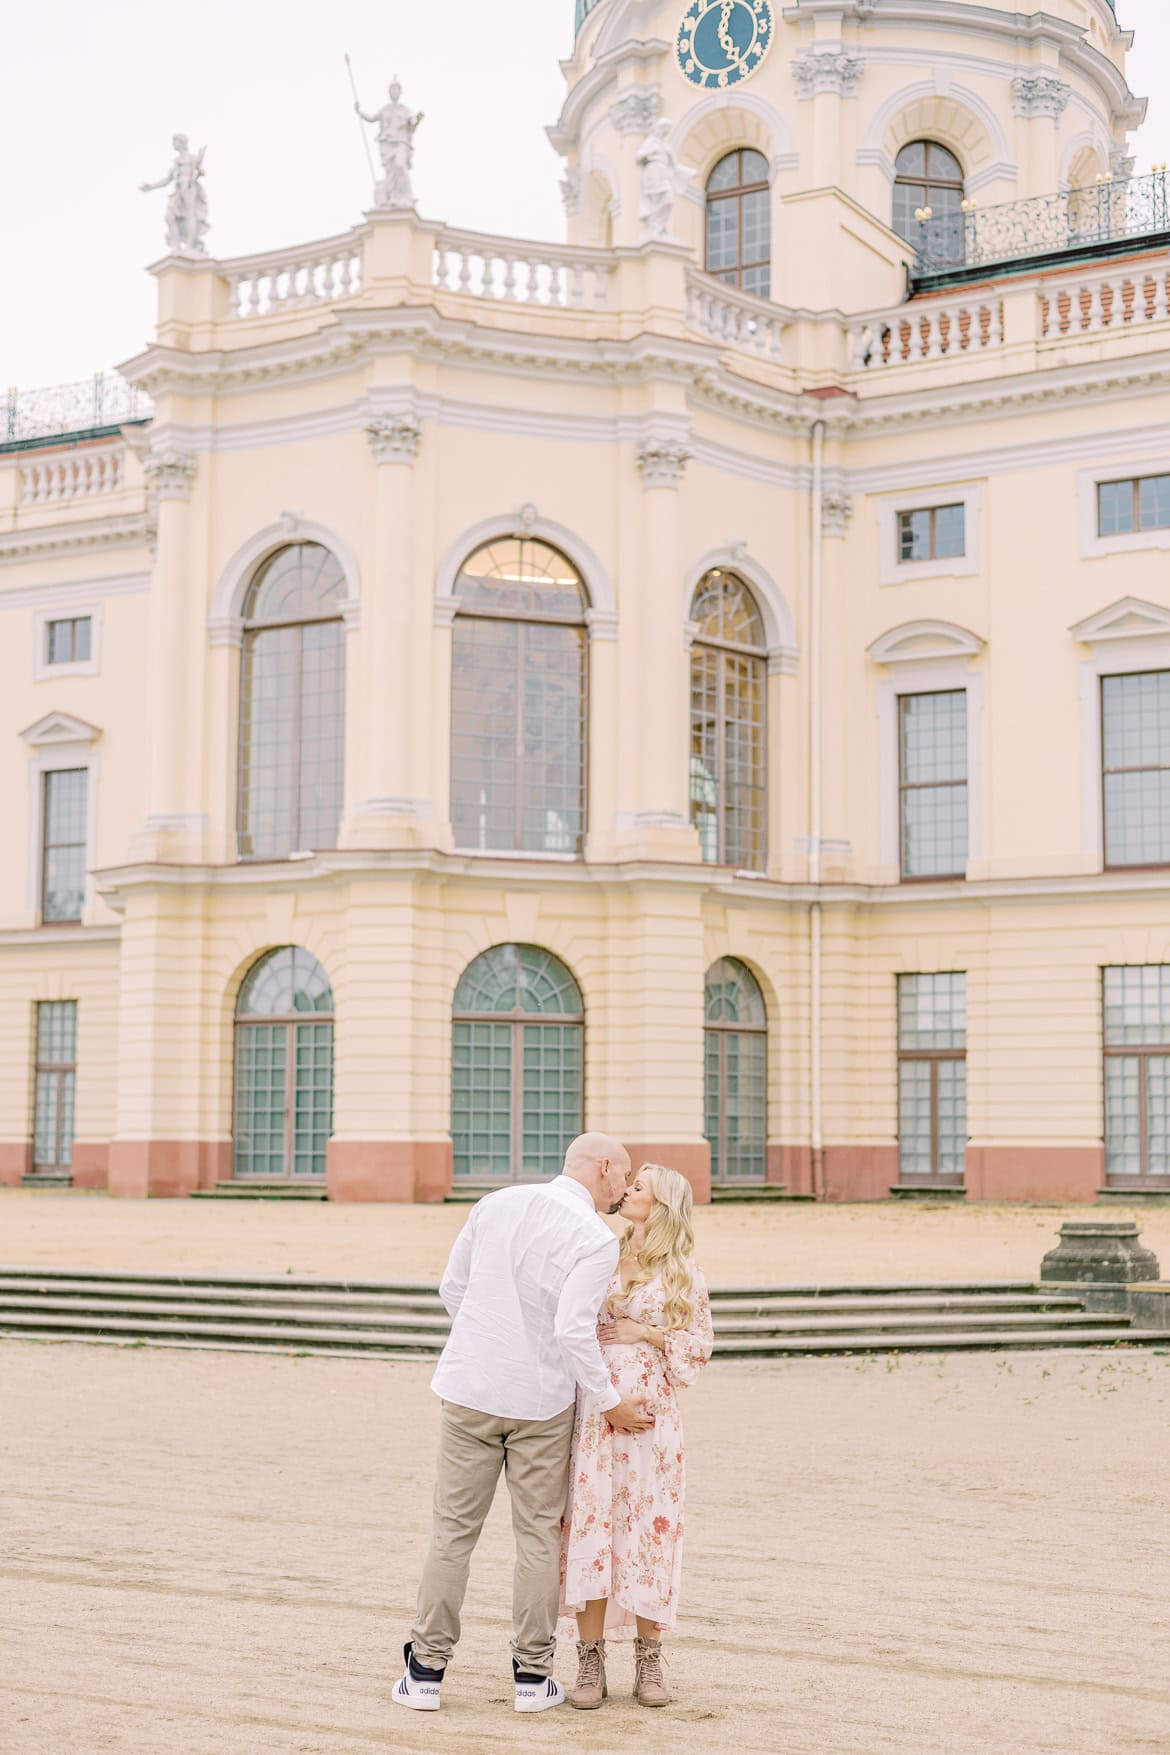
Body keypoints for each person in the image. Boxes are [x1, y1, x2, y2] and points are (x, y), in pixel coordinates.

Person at [394, 1132, 655, 1716]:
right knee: (537, 1536)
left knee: (452, 1533)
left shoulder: (496, 1203)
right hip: (542, 1399)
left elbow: (452, 1288)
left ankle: (426, 1673)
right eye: (626, 1174)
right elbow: (570, 1330)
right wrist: (610, 1399)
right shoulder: (593, 1237)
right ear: (605, 1168)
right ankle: (533, 1679)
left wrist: (489, 1344)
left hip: (470, 1388)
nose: (623, 1188)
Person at [560, 1163, 714, 1711]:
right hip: (599, 1416)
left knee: (650, 1530)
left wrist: (646, 1331)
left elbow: (698, 1350)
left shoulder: (685, 1274)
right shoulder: (600, 1254)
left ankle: (649, 1660)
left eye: (639, 1187)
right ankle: (590, 1659)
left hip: (652, 1420)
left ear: (663, 1204)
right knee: (594, 1527)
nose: (627, 1190)